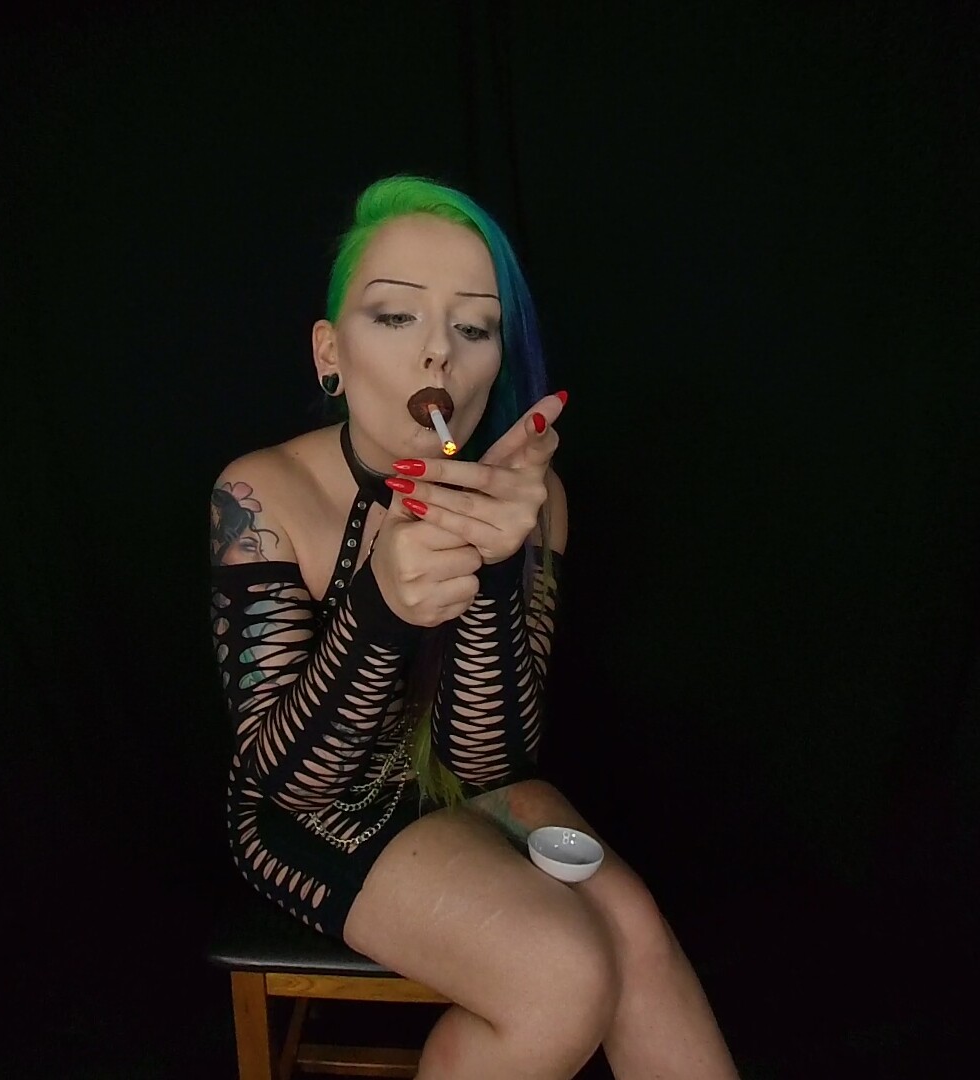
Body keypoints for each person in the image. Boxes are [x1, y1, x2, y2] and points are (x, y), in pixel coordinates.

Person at [209, 176, 739, 1079]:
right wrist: (380, 605)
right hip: (301, 808)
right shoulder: (261, 493)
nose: (438, 355)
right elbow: (288, 783)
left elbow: (490, 764)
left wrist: (495, 571)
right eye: (395, 316)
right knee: (562, 974)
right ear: (330, 353)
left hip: (457, 788)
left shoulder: (534, 500)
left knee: (634, 931)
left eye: (474, 327)